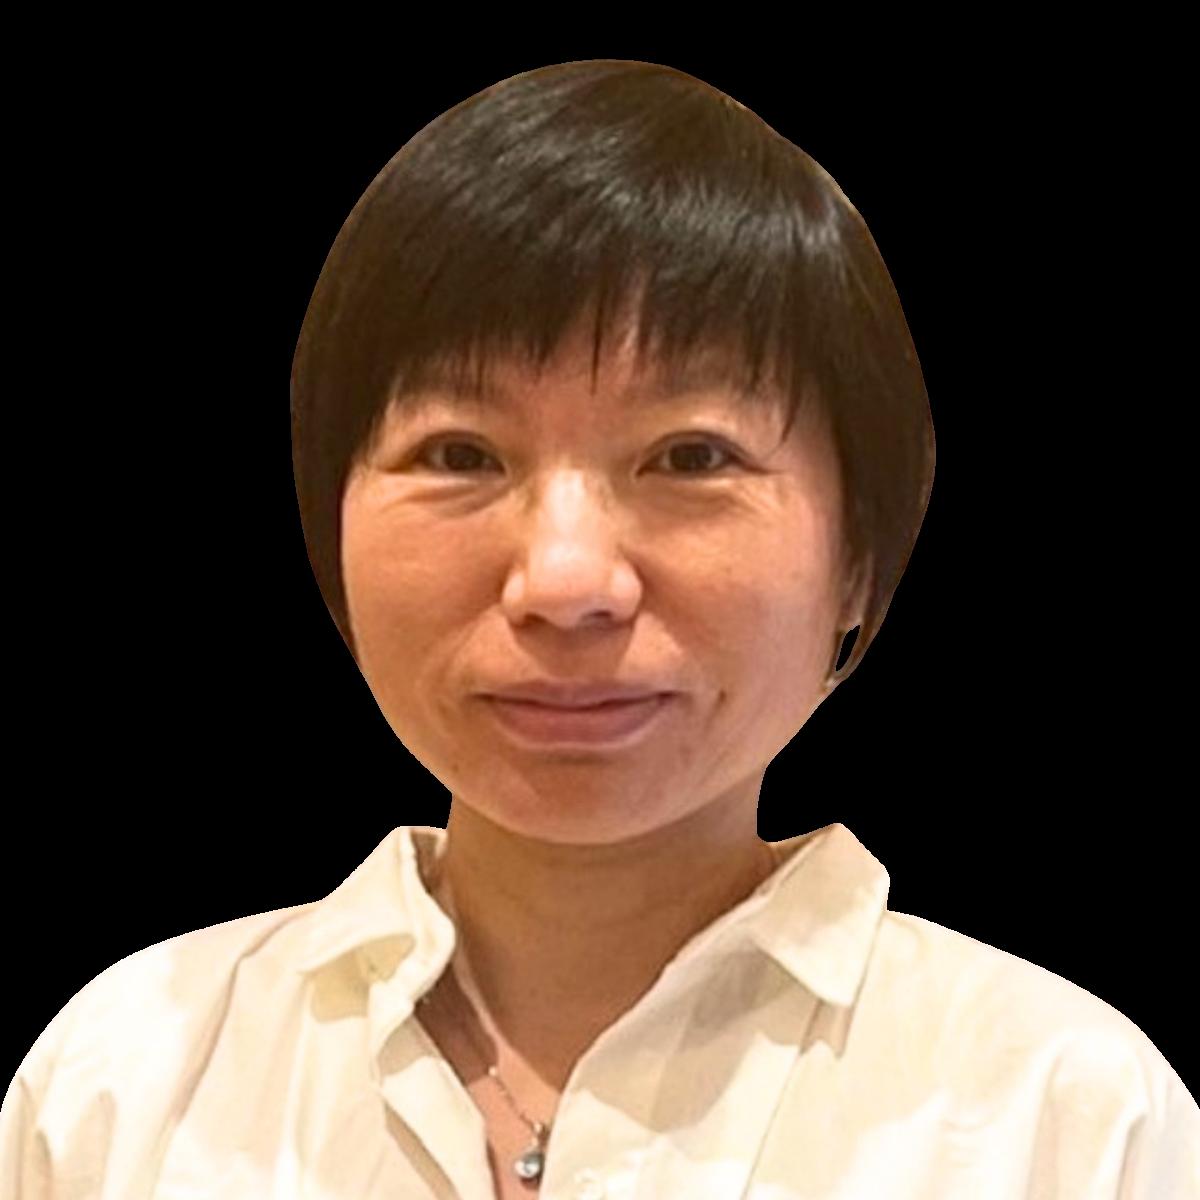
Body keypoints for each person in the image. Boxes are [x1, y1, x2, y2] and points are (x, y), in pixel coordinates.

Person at [3, 59, 1196, 1199]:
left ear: (859, 559)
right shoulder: (126, 1078)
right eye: (459, 454)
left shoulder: (1068, 1116)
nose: (565, 580)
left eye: (690, 456)